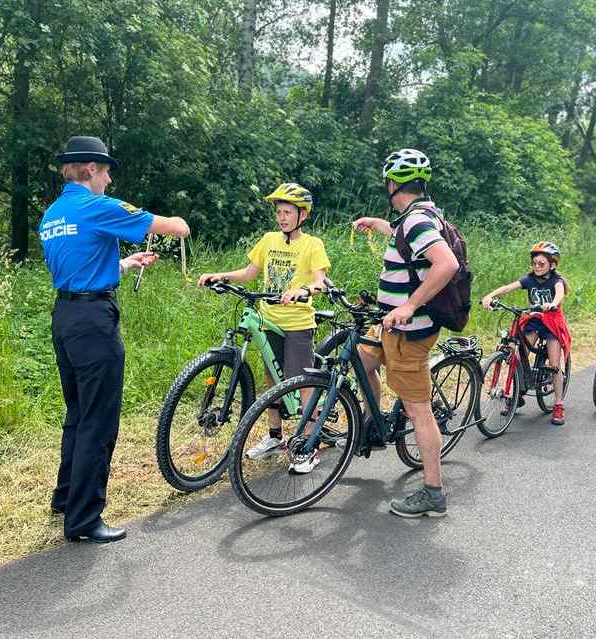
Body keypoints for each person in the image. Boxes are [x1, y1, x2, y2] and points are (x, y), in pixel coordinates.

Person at [41, 136, 190, 543]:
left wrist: (123, 263)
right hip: (95, 323)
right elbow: (168, 227)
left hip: (67, 316)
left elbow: (80, 268)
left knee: (77, 413)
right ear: (89, 169)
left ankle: (66, 496)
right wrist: (181, 224)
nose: (108, 178)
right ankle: (85, 520)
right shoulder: (97, 206)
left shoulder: (54, 214)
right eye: (105, 170)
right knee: (99, 420)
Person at [352, 148, 459, 518]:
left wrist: (410, 305)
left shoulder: (417, 222)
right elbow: (401, 236)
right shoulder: (414, 217)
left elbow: (446, 263)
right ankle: (374, 423)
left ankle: (433, 492)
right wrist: (374, 222)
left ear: (393, 183)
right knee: (362, 360)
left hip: (409, 329)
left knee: (418, 410)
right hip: (387, 324)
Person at [197, 183, 330, 473]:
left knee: (301, 382)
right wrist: (221, 274)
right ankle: (274, 436)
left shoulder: (312, 245)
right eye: (279, 212)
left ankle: (310, 445)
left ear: (302, 215)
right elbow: (248, 273)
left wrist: (304, 290)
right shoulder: (269, 240)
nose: (282, 217)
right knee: (272, 379)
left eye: (288, 212)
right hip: (270, 319)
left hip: (296, 323)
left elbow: (321, 280)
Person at [481, 241, 572, 425]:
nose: (536, 267)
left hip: (552, 322)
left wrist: (553, 303)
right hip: (534, 320)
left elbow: (559, 293)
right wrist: (490, 296)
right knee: (518, 350)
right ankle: (518, 392)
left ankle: (559, 404)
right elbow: (508, 287)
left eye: (541, 264)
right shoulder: (529, 279)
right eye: (534, 263)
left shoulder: (557, 281)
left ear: (552, 265)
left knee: (554, 365)